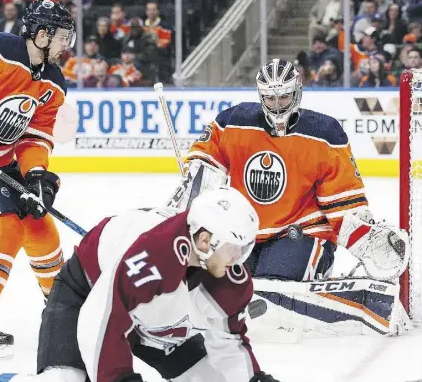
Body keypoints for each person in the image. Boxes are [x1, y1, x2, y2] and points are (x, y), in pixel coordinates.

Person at [0, 188, 301, 382]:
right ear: (205, 239)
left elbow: (228, 339)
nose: (238, 261)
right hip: (88, 295)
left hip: (149, 319)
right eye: (234, 249)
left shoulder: (222, 271)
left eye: (243, 250)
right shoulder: (155, 255)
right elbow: (101, 315)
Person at [167, 58, 408, 330]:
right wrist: (188, 205)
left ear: (298, 93)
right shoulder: (232, 123)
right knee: (228, 286)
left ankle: (323, 277)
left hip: (303, 232)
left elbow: (343, 204)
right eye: (270, 99)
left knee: (273, 288)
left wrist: (365, 239)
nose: (277, 105)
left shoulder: (325, 134)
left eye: (284, 97)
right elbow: (203, 164)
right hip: (248, 234)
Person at [0, 0, 75, 358]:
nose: (67, 45)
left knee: (38, 222)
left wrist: (36, 176)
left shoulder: (53, 81)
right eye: (62, 37)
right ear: (41, 34)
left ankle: (63, 311)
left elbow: (34, 136)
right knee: (5, 227)